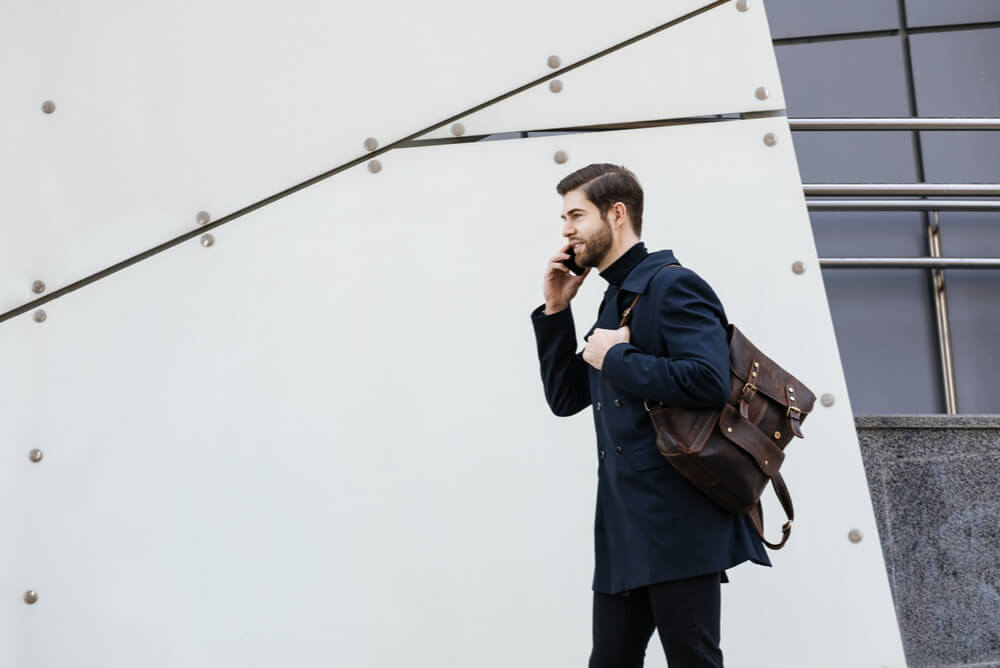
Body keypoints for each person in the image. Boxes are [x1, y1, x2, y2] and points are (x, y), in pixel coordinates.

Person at [530, 164, 770, 667]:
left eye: (576, 214)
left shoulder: (672, 285)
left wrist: (617, 357)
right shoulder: (615, 299)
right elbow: (566, 398)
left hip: (678, 523)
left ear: (616, 214)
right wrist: (556, 311)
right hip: (625, 525)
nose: (566, 229)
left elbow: (707, 380)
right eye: (563, 217)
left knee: (693, 659)